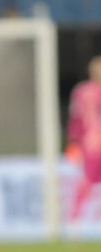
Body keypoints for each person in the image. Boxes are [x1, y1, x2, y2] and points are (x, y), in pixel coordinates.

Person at [66, 56, 101, 226]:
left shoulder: (81, 91)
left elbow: (75, 120)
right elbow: (76, 120)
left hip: (91, 143)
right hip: (92, 144)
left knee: (85, 182)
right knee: (86, 181)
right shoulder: (82, 92)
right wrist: (73, 144)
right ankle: (74, 221)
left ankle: (74, 220)